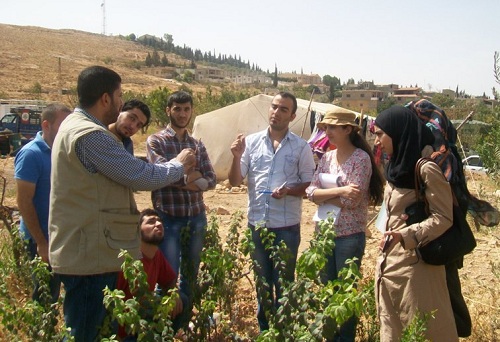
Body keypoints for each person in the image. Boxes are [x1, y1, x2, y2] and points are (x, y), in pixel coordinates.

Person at [48, 65, 197, 342]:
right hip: (89, 255)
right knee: (87, 332)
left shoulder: (78, 127)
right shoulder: (91, 135)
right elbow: (139, 175)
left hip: (90, 250)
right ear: (105, 98)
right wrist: (179, 164)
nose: (120, 102)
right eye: (119, 96)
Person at [228, 91, 316, 331]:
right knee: (262, 285)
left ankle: (285, 332)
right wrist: (236, 157)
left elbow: (309, 184)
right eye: (274, 107)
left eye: (283, 109)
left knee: (285, 285)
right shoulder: (252, 143)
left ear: (293, 115)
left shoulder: (301, 147)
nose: (276, 112)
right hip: (257, 226)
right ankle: (265, 331)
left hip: (286, 227)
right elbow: (235, 181)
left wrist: (289, 190)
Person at [373, 105, 458, 341]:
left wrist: (406, 235)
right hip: (389, 264)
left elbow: (444, 217)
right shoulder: (394, 168)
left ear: (398, 132)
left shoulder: (426, 169)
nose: (376, 140)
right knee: (392, 330)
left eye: (380, 134)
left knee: (423, 329)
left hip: (417, 268)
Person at [305, 108, 384, 341]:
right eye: (326, 127)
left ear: (348, 130)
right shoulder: (327, 157)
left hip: (349, 236)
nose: (327, 132)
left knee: (346, 294)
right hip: (325, 233)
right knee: (328, 291)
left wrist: (324, 194)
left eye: (332, 127)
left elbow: (353, 200)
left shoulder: (361, 159)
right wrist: (339, 190)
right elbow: (310, 191)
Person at [146, 90, 216, 328]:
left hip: (196, 218)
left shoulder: (196, 144)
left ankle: (182, 326)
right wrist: (191, 179)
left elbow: (212, 180)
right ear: (168, 111)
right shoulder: (157, 141)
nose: (183, 114)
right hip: (169, 218)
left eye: (187, 109)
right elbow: (159, 175)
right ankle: (162, 329)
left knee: (190, 275)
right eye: (177, 109)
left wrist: (180, 175)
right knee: (167, 277)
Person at [14, 103, 71, 304]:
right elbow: (23, 201)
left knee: (55, 292)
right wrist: (41, 242)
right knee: (45, 293)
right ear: (46, 125)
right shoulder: (32, 154)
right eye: (63, 124)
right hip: (40, 238)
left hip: (60, 237)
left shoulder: (63, 152)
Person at [116, 209, 185, 340]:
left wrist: (173, 292)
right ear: (138, 230)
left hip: (145, 320)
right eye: (151, 222)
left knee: (182, 300)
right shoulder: (128, 261)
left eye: (159, 221)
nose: (158, 224)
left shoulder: (156, 254)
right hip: (125, 331)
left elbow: (169, 279)